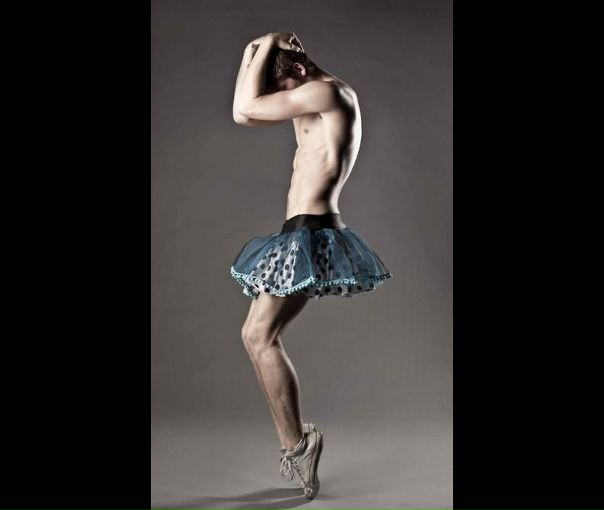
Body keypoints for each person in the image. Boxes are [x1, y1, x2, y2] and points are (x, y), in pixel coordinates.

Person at [230, 31, 393, 499]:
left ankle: (299, 446)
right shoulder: (312, 95)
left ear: (300, 71)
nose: (283, 101)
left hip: (312, 230)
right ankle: (297, 444)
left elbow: (246, 108)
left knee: (257, 335)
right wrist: (255, 49)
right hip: (300, 232)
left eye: (283, 88)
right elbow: (246, 111)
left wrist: (261, 46)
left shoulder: (328, 92)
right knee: (259, 336)